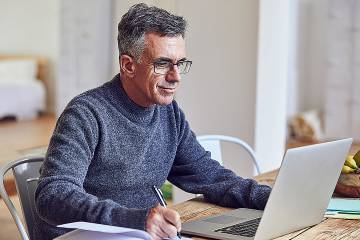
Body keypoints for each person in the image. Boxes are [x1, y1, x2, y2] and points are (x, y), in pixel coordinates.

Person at [34, 3, 271, 240]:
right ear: (128, 65)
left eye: (180, 64)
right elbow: (52, 195)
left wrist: (271, 198)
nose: (175, 76)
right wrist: (135, 220)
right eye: (162, 64)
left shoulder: (169, 113)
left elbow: (210, 177)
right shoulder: (85, 113)